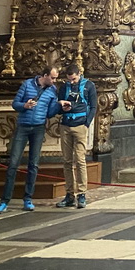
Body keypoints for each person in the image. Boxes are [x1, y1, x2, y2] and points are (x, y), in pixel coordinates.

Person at [0, 66, 60, 214]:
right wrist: (25, 105)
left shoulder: (52, 90)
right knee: (13, 163)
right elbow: (15, 103)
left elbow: (49, 113)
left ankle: (28, 198)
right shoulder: (27, 84)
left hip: (38, 128)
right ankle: (4, 201)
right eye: (53, 78)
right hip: (23, 127)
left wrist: (59, 106)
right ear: (45, 75)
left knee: (34, 164)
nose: (55, 81)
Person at [56, 64, 97, 209]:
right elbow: (58, 105)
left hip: (80, 125)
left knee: (80, 160)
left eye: (73, 79)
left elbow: (93, 106)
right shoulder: (64, 87)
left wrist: (87, 123)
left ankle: (81, 194)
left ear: (79, 74)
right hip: (66, 125)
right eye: (69, 80)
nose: (71, 82)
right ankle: (69, 195)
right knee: (67, 161)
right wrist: (62, 106)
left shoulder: (89, 86)